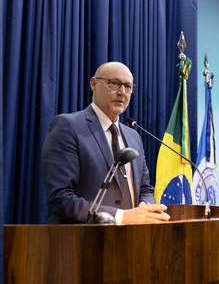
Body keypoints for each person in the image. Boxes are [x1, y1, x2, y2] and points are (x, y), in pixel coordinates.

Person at [42, 62, 170, 224]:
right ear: (93, 84)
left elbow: (145, 189)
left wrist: (147, 209)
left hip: (132, 239)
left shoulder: (133, 136)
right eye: (114, 84)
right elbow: (60, 198)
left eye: (128, 86)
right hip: (81, 241)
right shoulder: (68, 126)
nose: (122, 92)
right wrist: (121, 217)